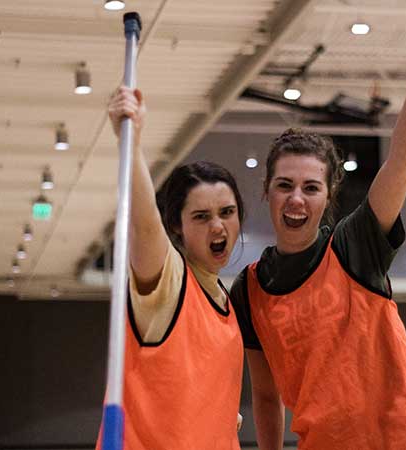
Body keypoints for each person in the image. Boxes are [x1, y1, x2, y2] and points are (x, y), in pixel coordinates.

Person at [229, 3, 406, 449]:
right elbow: (266, 394)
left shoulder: (355, 246)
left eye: (311, 188)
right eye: (285, 185)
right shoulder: (249, 289)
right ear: (267, 191)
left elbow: (402, 161)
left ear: (328, 196)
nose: (296, 198)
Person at [97, 87, 244, 449]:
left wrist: (221, 414)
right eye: (201, 216)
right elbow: (145, 225)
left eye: (227, 212)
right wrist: (130, 142)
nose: (217, 226)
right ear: (177, 226)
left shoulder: (225, 300)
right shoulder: (170, 282)